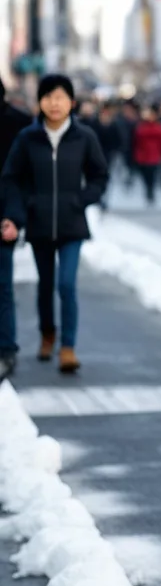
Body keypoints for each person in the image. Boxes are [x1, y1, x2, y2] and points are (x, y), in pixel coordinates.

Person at [1, 74, 108, 374]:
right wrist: (25, 206)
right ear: (40, 102)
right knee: (45, 285)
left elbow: (100, 175)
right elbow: (12, 177)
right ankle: (48, 333)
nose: (54, 103)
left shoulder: (84, 137)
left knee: (67, 284)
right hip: (39, 222)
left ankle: (68, 347)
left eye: (60, 97)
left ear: (71, 102)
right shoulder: (28, 138)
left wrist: (82, 199)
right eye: (48, 97)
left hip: (72, 223)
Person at [0, 77, 32, 379]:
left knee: (3, 288)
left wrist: (15, 217)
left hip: (4, 218)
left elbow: (22, 178)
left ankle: (6, 349)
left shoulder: (19, 125)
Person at [132, 104, 161, 205]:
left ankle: (150, 190)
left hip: (154, 155)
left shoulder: (160, 126)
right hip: (143, 154)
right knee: (145, 174)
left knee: (152, 174)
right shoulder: (141, 126)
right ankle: (148, 189)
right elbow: (136, 140)